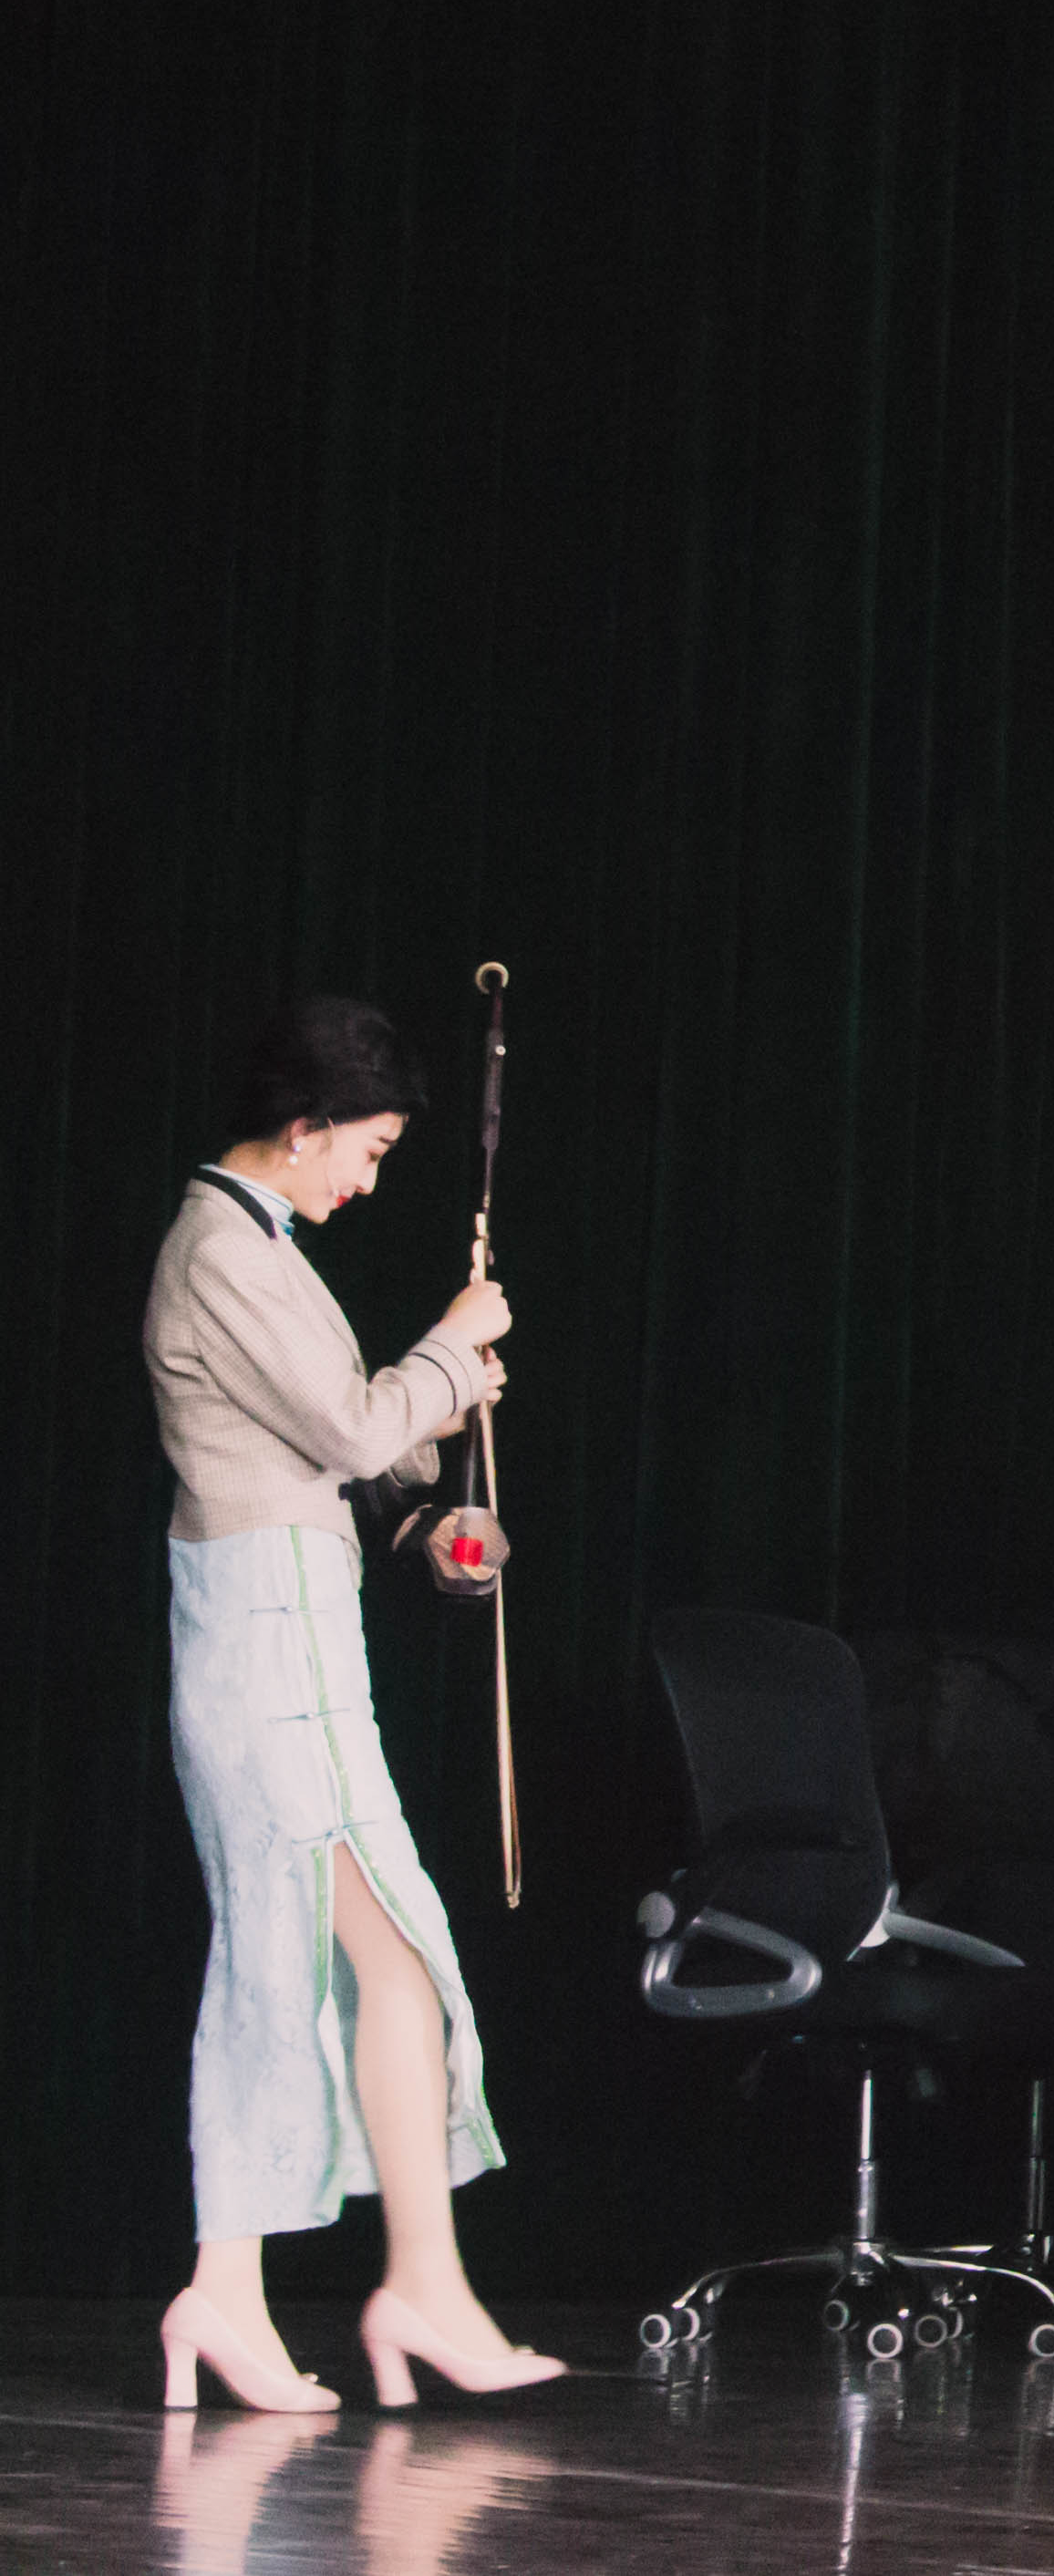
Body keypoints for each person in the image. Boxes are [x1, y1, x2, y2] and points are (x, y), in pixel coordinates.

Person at [141, 998, 563, 2412]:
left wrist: (435, 1457)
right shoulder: (221, 1247)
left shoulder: (262, 1249)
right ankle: (349, 2291)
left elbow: (345, 1446)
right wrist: (449, 1346)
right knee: (319, 1965)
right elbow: (347, 1425)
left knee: (355, 1969)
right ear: (305, 1125)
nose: (370, 1180)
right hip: (262, 1654)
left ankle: (331, 2290)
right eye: (369, 1150)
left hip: (297, 1642)